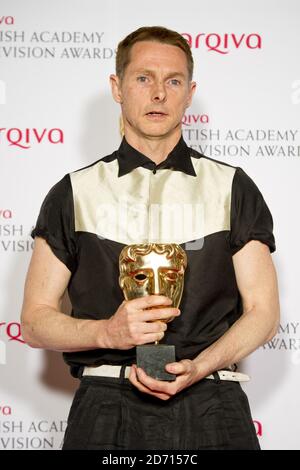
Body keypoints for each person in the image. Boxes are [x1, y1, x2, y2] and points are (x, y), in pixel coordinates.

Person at [21, 26, 280, 450]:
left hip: (211, 401)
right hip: (106, 408)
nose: (158, 93)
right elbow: (33, 321)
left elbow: (264, 312)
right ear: (117, 87)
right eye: (143, 78)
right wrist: (108, 333)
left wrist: (198, 367)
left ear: (190, 92)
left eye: (173, 81)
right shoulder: (74, 191)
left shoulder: (233, 186)